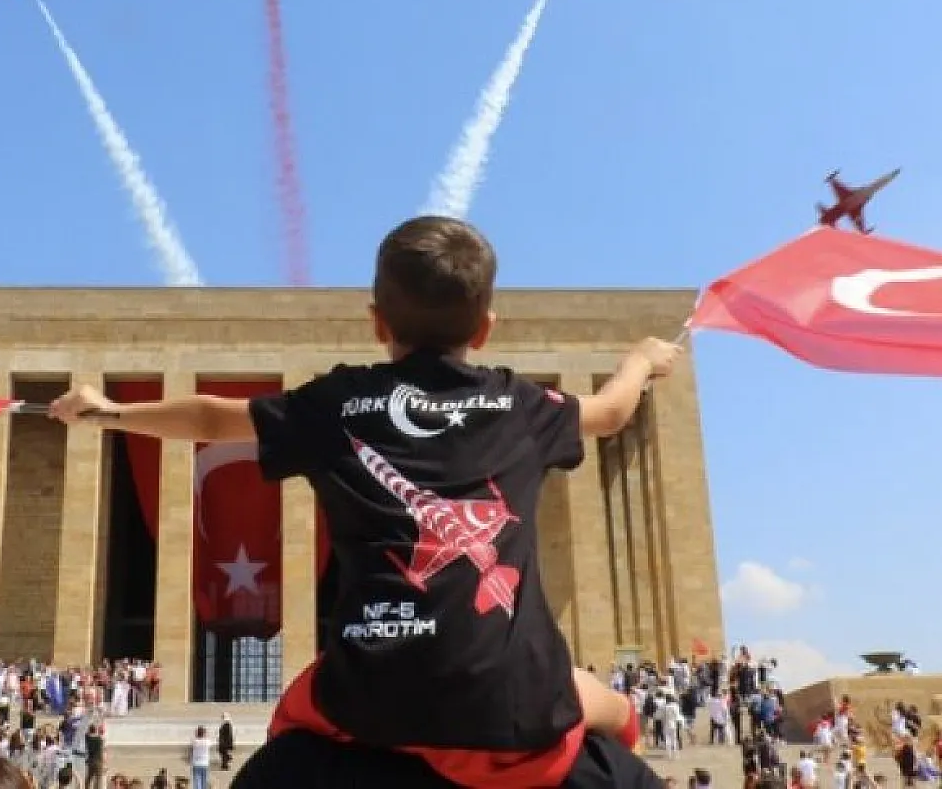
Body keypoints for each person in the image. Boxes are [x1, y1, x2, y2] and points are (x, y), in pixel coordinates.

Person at [50, 215, 681, 789]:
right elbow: (613, 411)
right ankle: (626, 722)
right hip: (513, 701)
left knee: (297, 712)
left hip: (375, 690)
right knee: (588, 695)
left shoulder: (338, 403)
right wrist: (642, 359)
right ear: (487, 329)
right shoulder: (520, 407)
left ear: (377, 320)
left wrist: (110, 411)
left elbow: (213, 421)